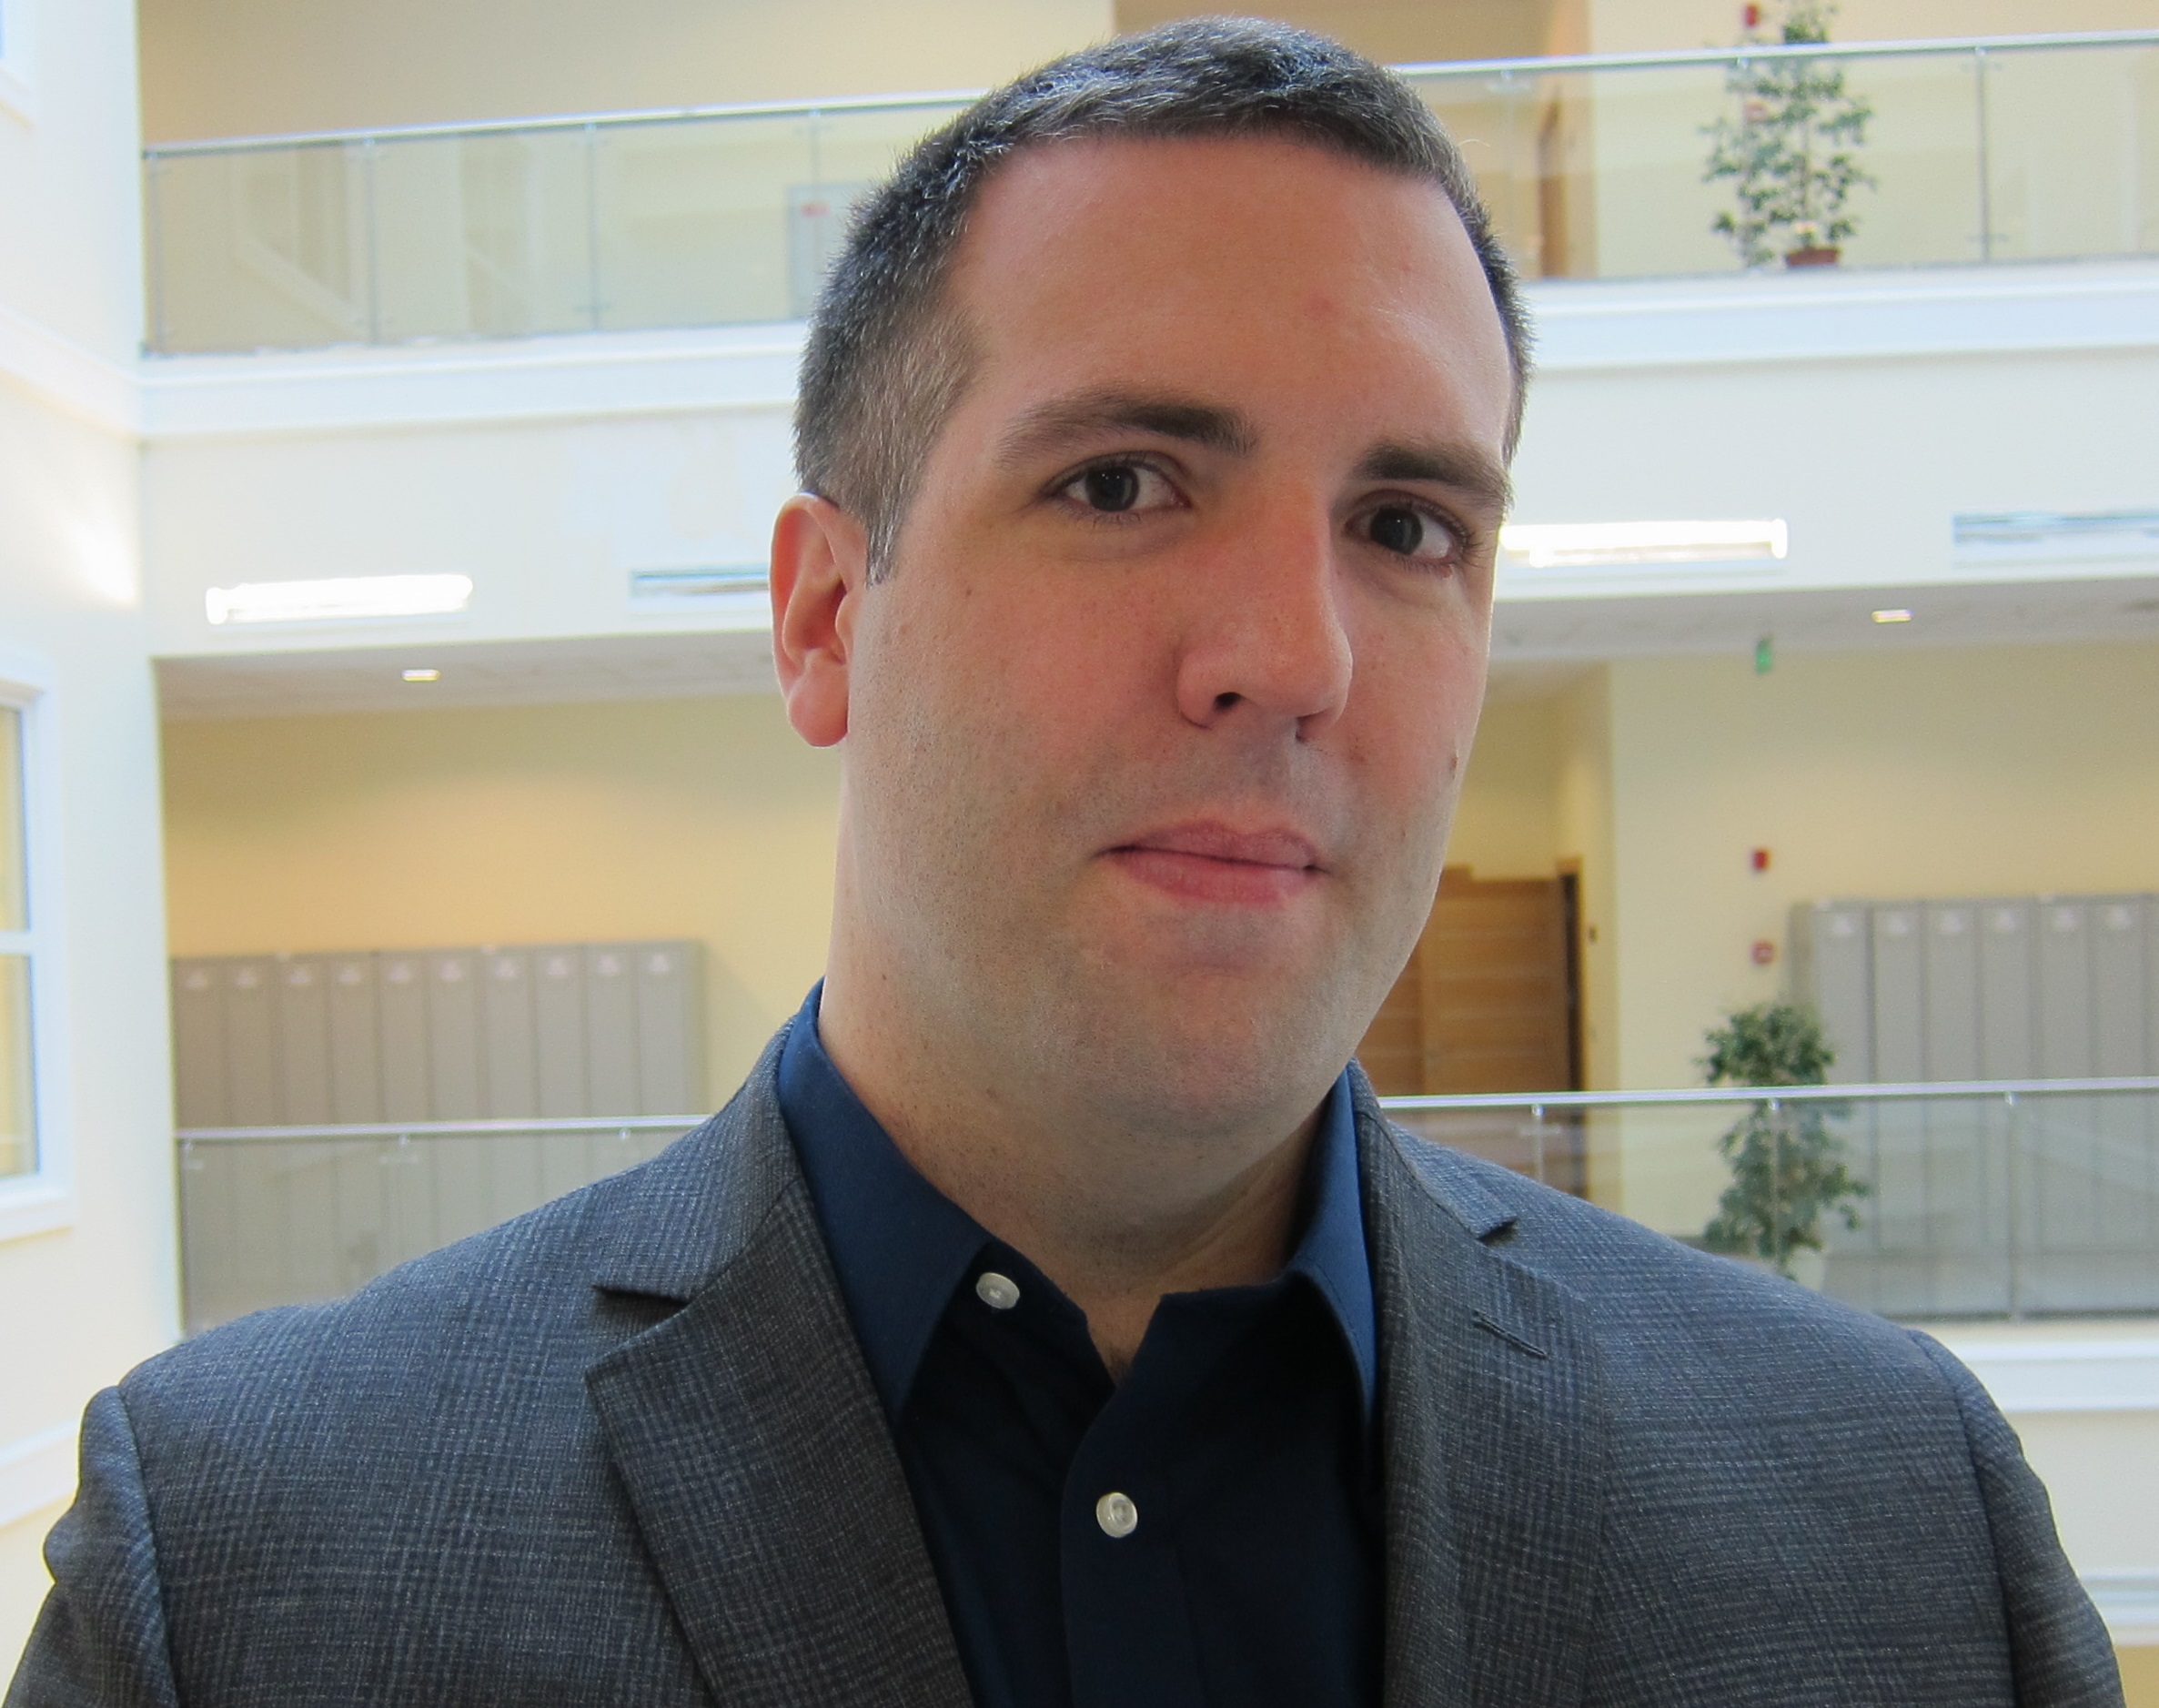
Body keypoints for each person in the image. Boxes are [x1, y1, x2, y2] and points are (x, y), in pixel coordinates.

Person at [8, 19, 2123, 1708]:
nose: (1292, 657)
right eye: (1122, 482)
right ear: (824, 617)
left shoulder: (1891, 1516)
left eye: (1404, 528)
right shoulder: (254, 1571)